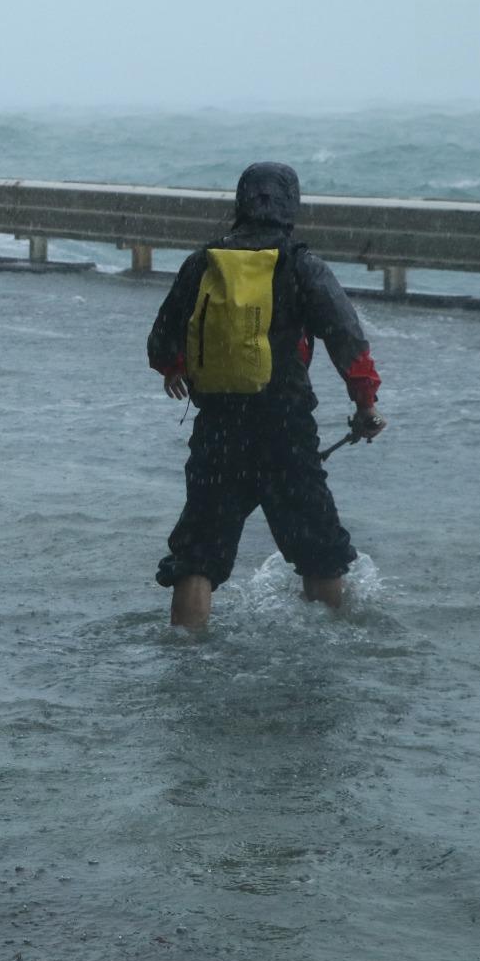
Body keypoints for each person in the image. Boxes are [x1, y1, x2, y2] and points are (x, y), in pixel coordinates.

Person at [147, 161, 386, 630]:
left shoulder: (203, 264)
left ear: (240, 203)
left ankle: (186, 651)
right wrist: (366, 404)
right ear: (291, 206)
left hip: (218, 428)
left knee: (198, 553)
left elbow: (161, 340)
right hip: (285, 429)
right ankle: (328, 647)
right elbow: (346, 339)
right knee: (320, 551)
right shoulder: (301, 265)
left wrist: (174, 369)